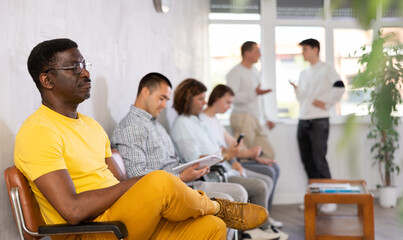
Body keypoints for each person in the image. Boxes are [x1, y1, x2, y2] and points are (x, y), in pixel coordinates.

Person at [14, 38, 268, 240]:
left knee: (211, 227)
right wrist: (147, 184)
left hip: (121, 221)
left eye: (85, 65)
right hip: (91, 232)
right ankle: (217, 206)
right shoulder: (38, 131)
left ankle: (213, 211)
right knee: (158, 180)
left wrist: (151, 196)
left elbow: (121, 183)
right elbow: (72, 211)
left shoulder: (91, 126)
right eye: (75, 67)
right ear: (47, 80)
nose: (86, 74)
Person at [111, 73, 248, 240]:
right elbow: (136, 177)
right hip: (169, 193)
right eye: (161, 98)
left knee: (235, 197)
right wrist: (181, 175)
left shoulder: (154, 123)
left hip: (181, 183)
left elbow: (170, 162)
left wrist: (193, 168)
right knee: (228, 201)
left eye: (166, 100)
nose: (164, 105)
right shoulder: (132, 128)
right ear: (145, 92)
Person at [170, 78, 281, 240]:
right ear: (187, 99)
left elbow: (216, 147)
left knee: (262, 181)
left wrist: (230, 157)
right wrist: (227, 156)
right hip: (213, 173)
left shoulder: (196, 121)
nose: (204, 102)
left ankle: (259, 227)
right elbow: (193, 160)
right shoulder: (182, 124)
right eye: (200, 99)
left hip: (222, 167)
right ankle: (256, 230)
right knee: (259, 186)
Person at [201, 84, 287, 236]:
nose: (229, 107)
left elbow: (231, 142)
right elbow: (222, 151)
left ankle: (264, 219)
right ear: (216, 98)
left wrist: (254, 155)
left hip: (231, 162)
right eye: (227, 102)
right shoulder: (203, 121)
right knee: (266, 177)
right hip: (225, 166)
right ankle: (261, 225)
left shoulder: (214, 120)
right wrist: (246, 155)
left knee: (271, 170)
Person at [226, 41, 283, 226]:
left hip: (255, 119)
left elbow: (258, 97)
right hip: (242, 117)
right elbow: (232, 98)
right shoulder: (235, 72)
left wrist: (266, 117)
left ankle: (263, 212)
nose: (259, 54)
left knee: (269, 154)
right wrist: (254, 93)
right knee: (247, 157)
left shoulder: (254, 71)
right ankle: (253, 217)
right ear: (247, 53)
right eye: (257, 51)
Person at [290, 38, 345, 213]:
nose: (303, 53)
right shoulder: (304, 73)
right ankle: (315, 199)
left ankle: (330, 200)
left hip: (319, 121)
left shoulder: (327, 68)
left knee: (319, 161)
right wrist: (297, 90)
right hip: (303, 120)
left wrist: (328, 103)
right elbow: (303, 98)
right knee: (308, 162)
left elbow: (340, 87)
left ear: (315, 50)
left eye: (305, 49)